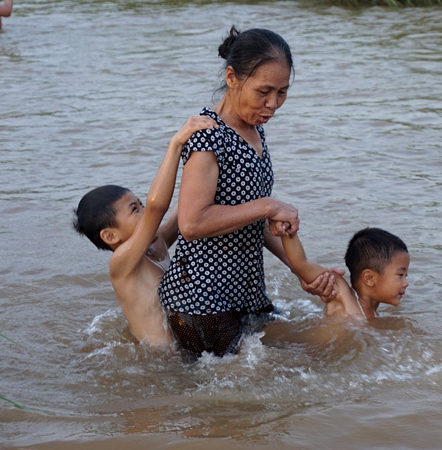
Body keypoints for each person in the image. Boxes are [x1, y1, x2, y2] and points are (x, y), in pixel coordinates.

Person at [158, 26, 341, 358]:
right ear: (232, 78)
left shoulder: (254, 127)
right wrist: (269, 206)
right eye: (264, 92)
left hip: (243, 293)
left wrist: (301, 268)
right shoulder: (207, 136)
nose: (273, 104)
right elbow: (192, 223)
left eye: (282, 92)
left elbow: (246, 217)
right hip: (201, 300)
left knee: (324, 346)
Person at [73, 115, 218, 347]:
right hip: (160, 360)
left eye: (141, 204)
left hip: (185, 344)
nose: (143, 211)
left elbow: (186, 209)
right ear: (111, 236)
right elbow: (156, 208)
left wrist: (207, 165)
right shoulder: (121, 264)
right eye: (134, 210)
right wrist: (176, 144)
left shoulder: (156, 242)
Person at [279, 227, 410, 320]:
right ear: (369, 278)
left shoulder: (375, 315)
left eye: (406, 276)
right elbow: (301, 264)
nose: (406, 283)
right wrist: (287, 229)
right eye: (400, 275)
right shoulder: (341, 292)